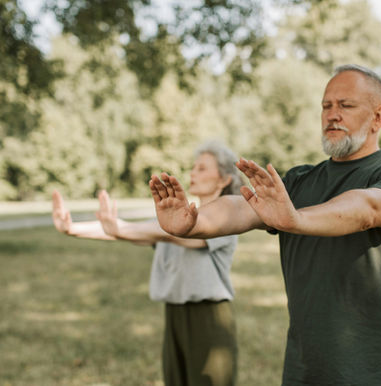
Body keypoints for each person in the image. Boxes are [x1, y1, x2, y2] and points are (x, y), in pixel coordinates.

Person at [148, 64, 381, 385]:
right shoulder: (299, 182)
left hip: (376, 373)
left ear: (378, 117)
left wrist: (297, 220)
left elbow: (367, 208)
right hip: (303, 372)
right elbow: (242, 207)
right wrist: (193, 224)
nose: (332, 115)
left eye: (346, 105)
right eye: (326, 106)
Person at [52, 140, 243, 386]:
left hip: (209, 317)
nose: (193, 172)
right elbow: (140, 231)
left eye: (203, 168)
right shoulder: (174, 219)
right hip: (174, 312)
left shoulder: (228, 217)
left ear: (224, 179)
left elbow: (172, 234)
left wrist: (121, 227)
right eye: (193, 167)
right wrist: (72, 228)